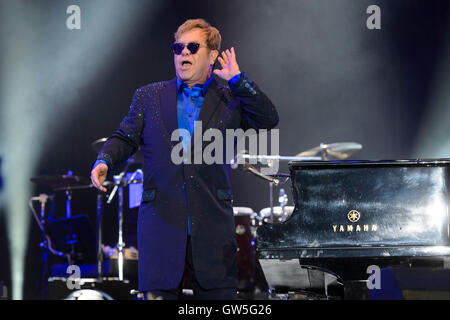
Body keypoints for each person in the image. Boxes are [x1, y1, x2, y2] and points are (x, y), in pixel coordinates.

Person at [90, 18, 278, 300]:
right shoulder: (148, 97)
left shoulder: (230, 97)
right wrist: (104, 160)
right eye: (178, 48)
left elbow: (268, 120)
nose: (184, 53)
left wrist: (239, 80)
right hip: (162, 226)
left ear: (212, 56)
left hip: (213, 231)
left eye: (192, 47)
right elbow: (125, 137)